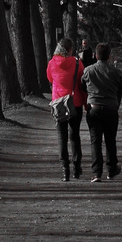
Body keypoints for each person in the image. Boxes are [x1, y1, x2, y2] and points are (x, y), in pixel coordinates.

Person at [81, 42, 122, 182]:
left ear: (95, 55)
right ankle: (112, 169)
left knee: (95, 141)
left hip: (94, 109)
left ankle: (96, 173)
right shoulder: (115, 72)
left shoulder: (88, 70)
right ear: (109, 56)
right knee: (110, 140)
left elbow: (82, 86)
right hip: (110, 109)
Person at [46, 37, 87, 181]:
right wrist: (86, 104)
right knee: (74, 136)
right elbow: (82, 82)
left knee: (61, 137)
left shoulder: (52, 64)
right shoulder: (77, 63)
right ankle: (77, 167)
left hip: (58, 104)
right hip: (74, 103)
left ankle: (65, 170)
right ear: (69, 50)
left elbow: (50, 79)